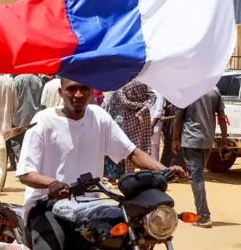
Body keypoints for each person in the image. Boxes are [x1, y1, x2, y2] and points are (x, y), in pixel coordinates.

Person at [16, 78, 179, 250]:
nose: (78, 94)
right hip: (46, 204)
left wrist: (165, 170)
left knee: (128, 238)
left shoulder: (99, 116)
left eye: (84, 88)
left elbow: (131, 152)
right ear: (60, 92)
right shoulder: (43, 120)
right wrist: (52, 184)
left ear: (91, 91)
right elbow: (26, 173)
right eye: (72, 89)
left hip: (92, 204)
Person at [173, 87, 229, 228]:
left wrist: (175, 138)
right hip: (207, 140)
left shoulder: (188, 90)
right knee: (199, 177)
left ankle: (204, 216)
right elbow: (222, 117)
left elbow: (179, 116)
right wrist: (224, 141)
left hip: (191, 140)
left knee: (196, 178)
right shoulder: (215, 90)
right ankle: (202, 213)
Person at [116, 80, 156, 172]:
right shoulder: (144, 82)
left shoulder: (122, 84)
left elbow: (124, 102)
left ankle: (130, 175)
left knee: (130, 147)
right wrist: (143, 108)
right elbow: (152, 97)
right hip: (144, 116)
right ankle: (145, 174)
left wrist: (138, 107)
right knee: (145, 145)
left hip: (130, 118)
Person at [0, 73, 18, 171]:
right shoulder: (10, 82)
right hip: (7, 121)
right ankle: (6, 165)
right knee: (7, 145)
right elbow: (15, 104)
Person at [12, 74, 43, 159]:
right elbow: (41, 100)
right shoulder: (38, 80)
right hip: (34, 116)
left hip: (19, 116)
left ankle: (21, 161)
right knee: (33, 142)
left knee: (17, 141)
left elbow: (13, 98)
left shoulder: (17, 80)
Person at [150, 90, 165, 161]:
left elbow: (159, 111)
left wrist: (152, 125)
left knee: (154, 151)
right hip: (146, 124)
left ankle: (154, 171)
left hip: (155, 125)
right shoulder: (148, 88)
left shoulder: (158, 91)